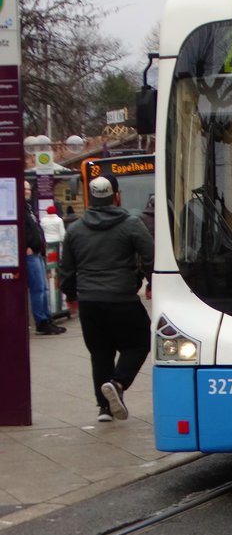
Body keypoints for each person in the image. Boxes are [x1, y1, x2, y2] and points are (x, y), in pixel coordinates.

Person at [59, 176, 155, 423]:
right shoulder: (131, 224)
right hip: (121, 298)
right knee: (141, 341)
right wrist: (151, 283)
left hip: (90, 301)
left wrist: (70, 295)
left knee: (100, 352)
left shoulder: (75, 230)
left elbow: (66, 268)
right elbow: (150, 255)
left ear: (90, 198)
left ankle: (104, 408)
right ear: (116, 195)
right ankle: (118, 383)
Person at [24, 181, 64, 335]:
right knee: (38, 288)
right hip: (30, 254)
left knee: (44, 288)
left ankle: (47, 318)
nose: (28, 191)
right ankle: (41, 321)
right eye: (25, 189)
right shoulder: (21, 208)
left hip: (37, 252)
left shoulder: (29, 208)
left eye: (28, 189)